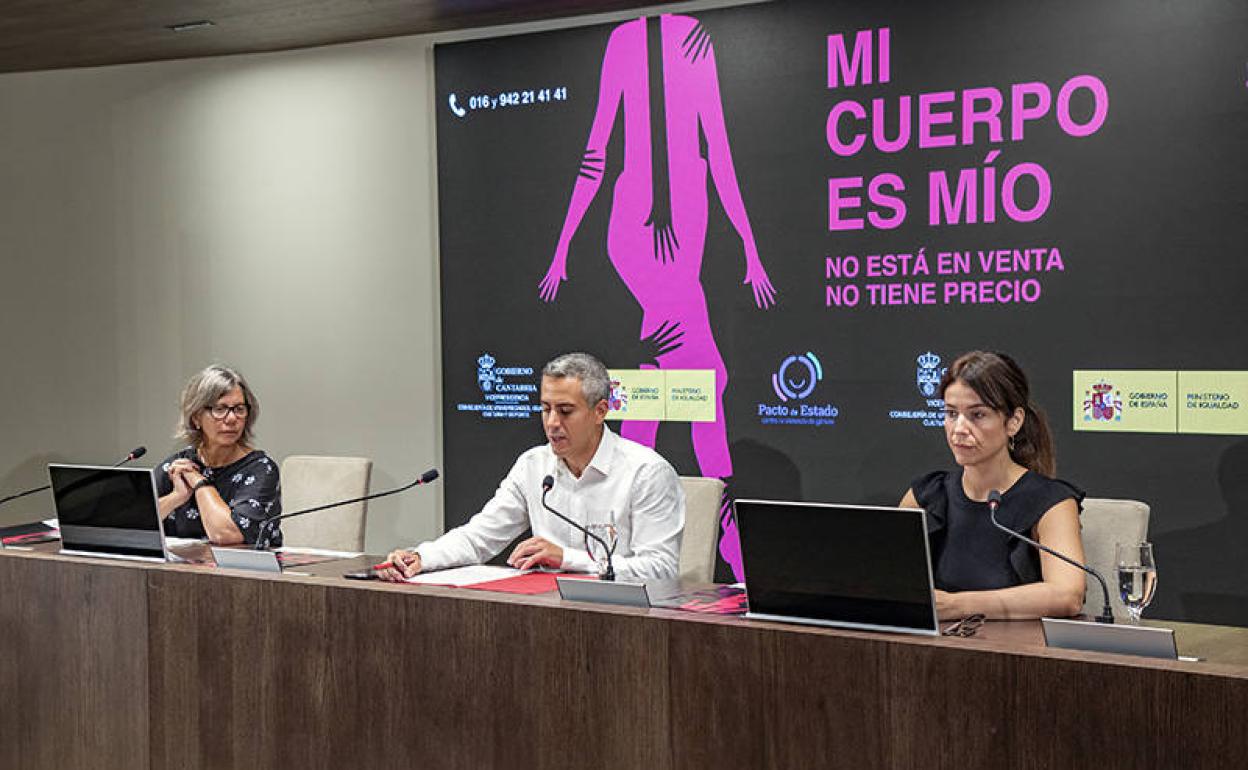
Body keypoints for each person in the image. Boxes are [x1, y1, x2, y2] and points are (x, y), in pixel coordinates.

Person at [379, 352, 685, 582]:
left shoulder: (646, 472)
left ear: (600, 411)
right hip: (545, 614)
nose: (552, 423)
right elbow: (479, 537)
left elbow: (660, 569)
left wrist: (568, 558)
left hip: (623, 620)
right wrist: (421, 557)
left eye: (566, 411)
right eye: (546, 408)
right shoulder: (533, 465)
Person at [899, 351, 1086, 620]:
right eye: (951, 413)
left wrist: (954, 606)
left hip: (1014, 656)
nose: (958, 429)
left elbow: (1067, 596)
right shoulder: (926, 496)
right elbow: (888, 581)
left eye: (977, 415)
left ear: (1013, 422)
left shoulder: (1051, 502)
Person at [155, 364, 281, 546]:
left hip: (243, 572)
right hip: (180, 572)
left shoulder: (261, 470)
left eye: (239, 409)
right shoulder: (178, 466)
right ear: (196, 417)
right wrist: (176, 497)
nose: (231, 419)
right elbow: (134, 526)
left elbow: (226, 534)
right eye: (220, 409)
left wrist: (199, 483)